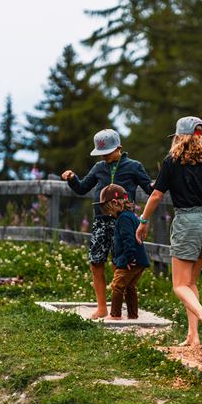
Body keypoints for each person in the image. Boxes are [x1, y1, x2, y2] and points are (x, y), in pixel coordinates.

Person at [135, 116, 202, 348]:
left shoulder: (172, 161)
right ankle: (193, 336)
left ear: (178, 137)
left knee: (179, 285)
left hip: (188, 222)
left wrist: (143, 220)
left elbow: (156, 195)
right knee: (191, 282)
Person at [61, 129, 153, 319]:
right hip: (101, 222)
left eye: (108, 151)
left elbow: (151, 190)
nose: (104, 156)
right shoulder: (98, 168)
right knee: (96, 262)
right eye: (102, 153)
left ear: (119, 147)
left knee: (121, 264)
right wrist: (72, 179)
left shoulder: (134, 166)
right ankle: (102, 307)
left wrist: (144, 217)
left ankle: (120, 309)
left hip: (124, 222)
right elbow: (82, 188)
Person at [95, 184, 150, 320]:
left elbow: (128, 240)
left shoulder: (123, 218)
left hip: (130, 260)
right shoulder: (130, 216)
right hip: (140, 260)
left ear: (114, 203)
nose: (106, 211)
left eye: (106, 207)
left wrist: (129, 259)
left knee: (117, 286)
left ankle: (115, 315)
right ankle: (133, 315)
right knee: (130, 287)